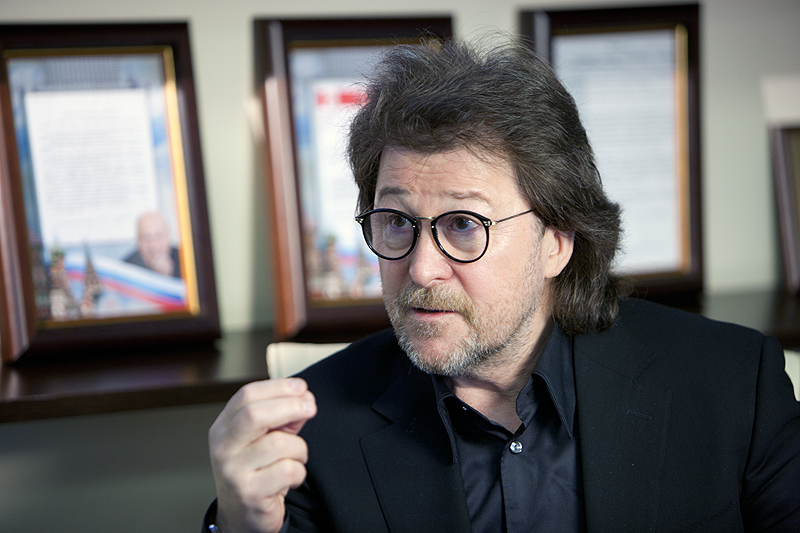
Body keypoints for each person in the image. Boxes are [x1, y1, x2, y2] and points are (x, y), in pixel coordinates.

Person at [205, 39, 800, 532]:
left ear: (556, 242)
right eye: (397, 223)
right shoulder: (309, 430)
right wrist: (237, 525)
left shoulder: (731, 384)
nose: (421, 269)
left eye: (464, 225)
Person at [124, 211, 181, 278]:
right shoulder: (126, 268)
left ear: (168, 236)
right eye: (146, 238)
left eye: (158, 236)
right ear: (138, 241)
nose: (153, 244)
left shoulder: (184, 260)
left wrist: (169, 275)